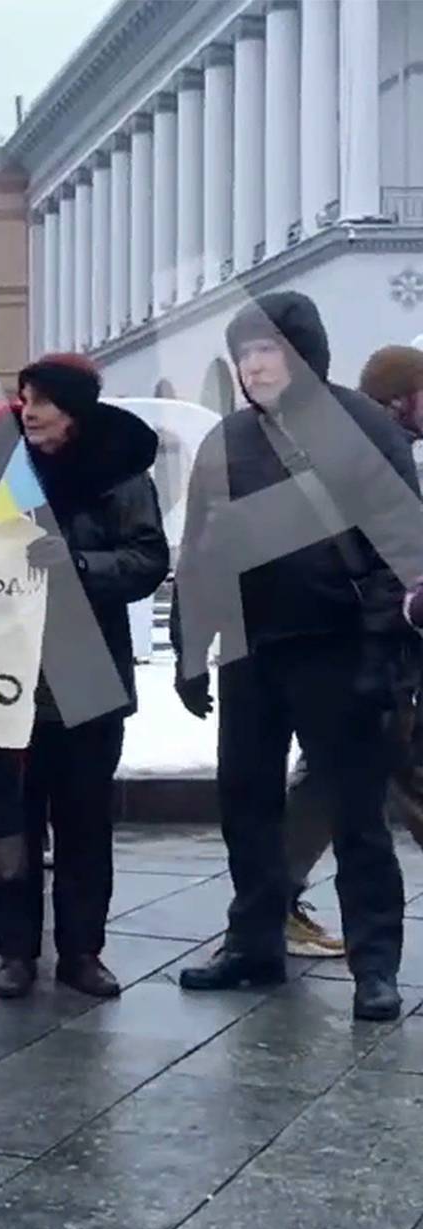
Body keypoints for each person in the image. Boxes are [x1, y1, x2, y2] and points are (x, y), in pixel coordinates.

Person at [174, 292, 423, 1022]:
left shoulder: (365, 426)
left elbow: (404, 550)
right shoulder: (227, 441)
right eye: (246, 354)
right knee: (246, 807)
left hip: (338, 650)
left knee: (355, 819)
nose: (256, 366)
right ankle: (254, 944)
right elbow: (200, 549)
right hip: (251, 653)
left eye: (269, 352)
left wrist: (382, 649)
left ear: (304, 356)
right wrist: (194, 649)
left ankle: (375, 965)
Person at [0, 356, 169, 1000]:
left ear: (74, 410)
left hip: (89, 666)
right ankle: (14, 953)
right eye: (23, 397)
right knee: (15, 821)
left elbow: (148, 559)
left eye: (41, 401)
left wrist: (77, 564)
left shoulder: (121, 472)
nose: (28, 410)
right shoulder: (12, 466)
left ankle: (82, 952)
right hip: (16, 672)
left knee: (85, 822)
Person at [282, 343, 423, 959]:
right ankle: (272, 901)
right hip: (363, 649)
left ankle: (272, 899)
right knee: (391, 777)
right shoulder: (368, 458)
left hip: (373, 649)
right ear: (400, 399)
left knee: (336, 779)